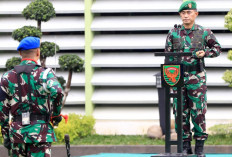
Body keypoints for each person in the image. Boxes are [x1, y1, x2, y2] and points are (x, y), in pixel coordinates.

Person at [164, 1, 222, 156]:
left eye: (189, 13)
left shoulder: (204, 32)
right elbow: (168, 58)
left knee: (198, 112)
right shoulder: (173, 33)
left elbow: (217, 49)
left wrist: (206, 53)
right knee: (180, 113)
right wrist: (169, 82)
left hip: (197, 78)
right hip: (178, 78)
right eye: (183, 13)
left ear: (196, 14)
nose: (185, 16)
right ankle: (185, 146)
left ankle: (199, 147)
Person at [0, 36, 64, 157]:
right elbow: (58, 92)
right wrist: (56, 115)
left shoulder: (7, 77)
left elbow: (1, 109)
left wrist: (6, 135)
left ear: (20, 53)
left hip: (17, 134)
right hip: (40, 133)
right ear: (38, 52)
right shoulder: (45, 74)